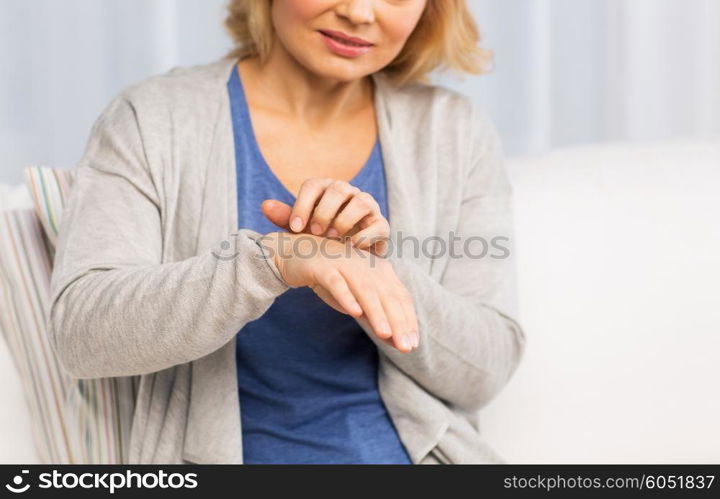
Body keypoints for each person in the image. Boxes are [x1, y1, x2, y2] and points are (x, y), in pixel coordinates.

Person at [48, 0, 526, 464]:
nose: (360, 13)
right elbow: (80, 335)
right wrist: (272, 264)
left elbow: (484, 370)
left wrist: (373, 269)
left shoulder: (455, 131)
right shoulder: (153, 118)